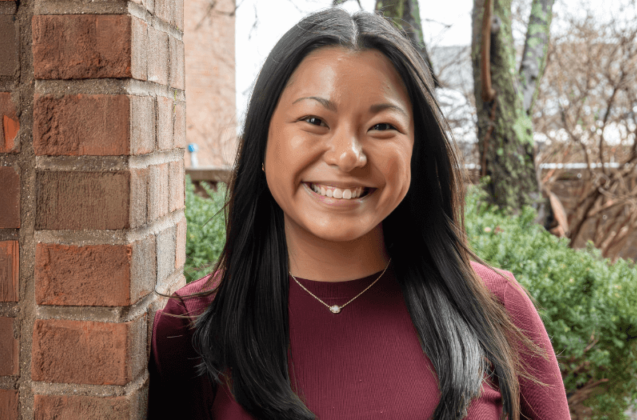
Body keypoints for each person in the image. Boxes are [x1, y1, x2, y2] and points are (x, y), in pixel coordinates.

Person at [148, 8, 570, 420]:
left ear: (416, 153)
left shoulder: (495, 306)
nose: (348, 156)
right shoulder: (192, 326)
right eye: (314, 120)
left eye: (382, 127)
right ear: (262, 141)